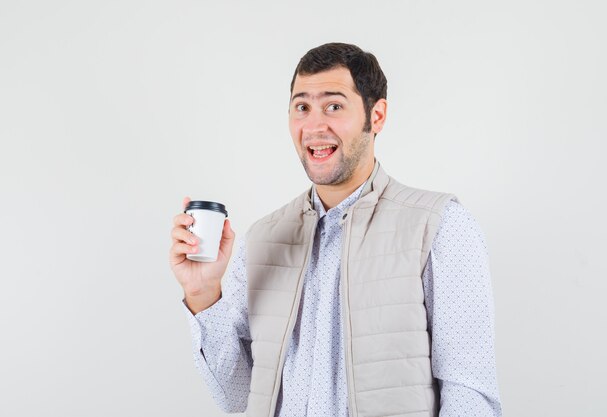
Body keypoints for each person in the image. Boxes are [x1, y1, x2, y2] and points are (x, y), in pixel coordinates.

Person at [169, 42, 502, 417]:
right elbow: (236, 395)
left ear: (376, 116)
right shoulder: (262, 240)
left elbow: (470, 395)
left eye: (334, 106)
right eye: (302, 107)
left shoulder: (440, 225)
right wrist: (202, 293)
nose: (314, 126)